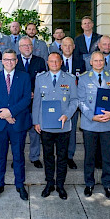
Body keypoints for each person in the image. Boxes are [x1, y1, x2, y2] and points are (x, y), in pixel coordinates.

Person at [32, 52, 79, 200]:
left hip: (63, 126)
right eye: (51, 61)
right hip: (45, 126)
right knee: (48, 156)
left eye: (56, 61)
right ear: (47, 62)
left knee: (62, 157)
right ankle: (49, 183)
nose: (54, 63)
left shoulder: (70, 79)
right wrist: (36, 121)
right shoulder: (40, 79)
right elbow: (37, 102)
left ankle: (60, 185)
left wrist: (68, 115)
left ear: (61, 62)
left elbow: (75, 100)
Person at [0, 49, 32, 201]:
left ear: (16, 61)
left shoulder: (25, 77)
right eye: (6, 59)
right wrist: (5, 115)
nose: (9, 62)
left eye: (12, 59)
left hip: (18, 122)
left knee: (18, 156)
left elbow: (26, 98)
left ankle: (20, 184)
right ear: (2, 61)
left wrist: (11, 112)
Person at [77, 51, 110, 199]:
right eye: (95, 61)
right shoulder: (83, 78)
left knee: (108, 157)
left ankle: (107, 184)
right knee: (89, 156)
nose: (98, 63)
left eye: (101, 60)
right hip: (90, 124)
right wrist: (92, 116)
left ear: (104, 61)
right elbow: (81, 101)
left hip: (108, 124)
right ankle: (89, 183)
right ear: (91, 62)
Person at [16, 36, 47, 168]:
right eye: (24, 46)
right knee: (19, 133)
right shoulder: (14, 61)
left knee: (35, 132)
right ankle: (18, 158)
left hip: (36, 102)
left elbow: (44, 80)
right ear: (19, 48)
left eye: (29, 45)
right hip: (19, 103)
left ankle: (34, 157)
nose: (27, 48)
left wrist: (34, 92)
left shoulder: (39, 61)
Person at [60, 36, 86, 170]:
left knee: (72, 130)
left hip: (74, 102)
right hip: (59, 103)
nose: (68, 48)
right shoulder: (55, 62)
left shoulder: (80, 62)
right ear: (61, 47)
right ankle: (60, 156)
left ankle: (70, 156)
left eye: (70, 45)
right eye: (65, 45)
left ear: (74, 47)